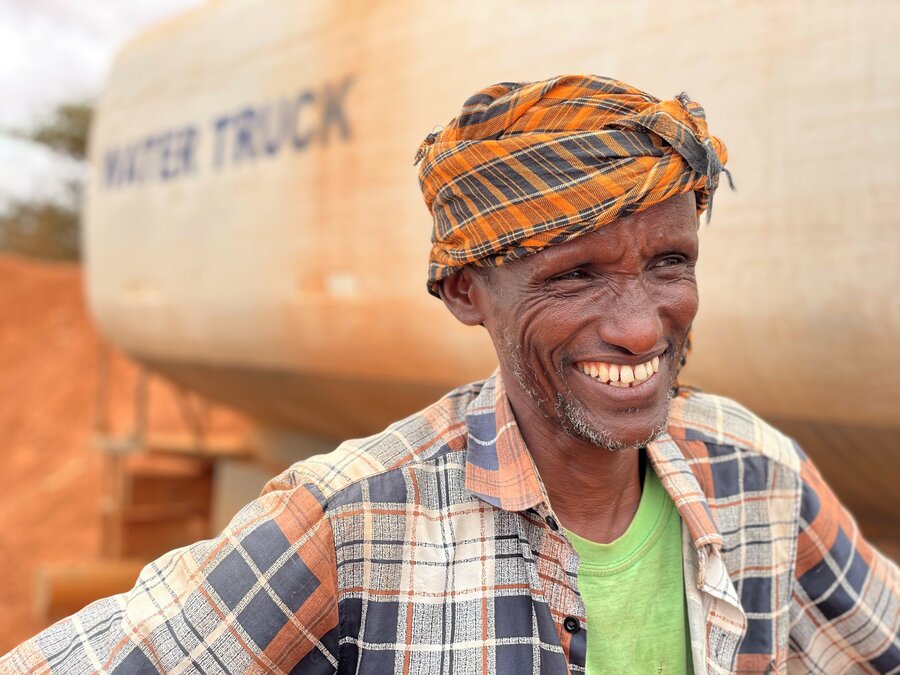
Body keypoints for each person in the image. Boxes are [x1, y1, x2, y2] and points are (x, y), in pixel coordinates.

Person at [3, 75, 897, 674]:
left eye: (669, 263)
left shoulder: (758, 477)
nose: (636, 326)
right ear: (467, 290)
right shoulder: (354, 522)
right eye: (574, 275)